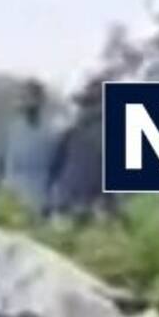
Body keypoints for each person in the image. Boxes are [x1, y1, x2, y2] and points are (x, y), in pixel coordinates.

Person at [46, 82, 107, 220]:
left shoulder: (73, 132)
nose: (81, 109)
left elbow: (55, 167)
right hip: (76, 203)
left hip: (75, 203)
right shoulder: (72, 132)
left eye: (86, 103)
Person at [0, 80, 52, 214]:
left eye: (31, 97)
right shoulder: (13, 129)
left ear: (41, 101)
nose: (27, 101)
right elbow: (5, 163)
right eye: (23, 97)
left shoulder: (53, 131)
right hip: (13, 194)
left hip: (40, 196)